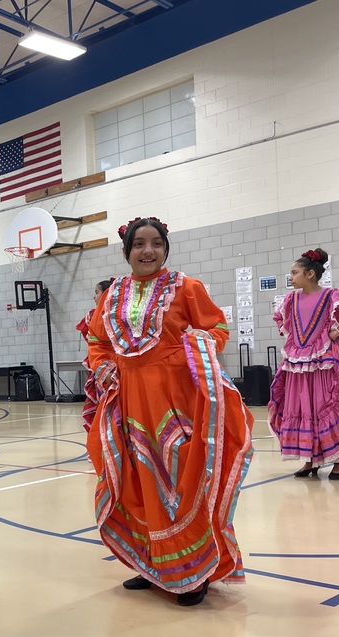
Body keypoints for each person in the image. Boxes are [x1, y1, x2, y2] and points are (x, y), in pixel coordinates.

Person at [86, 217, 253, 607]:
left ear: (166, 248)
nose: (148, 251)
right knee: (137, 483)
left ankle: (193, 571)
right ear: (126, 251)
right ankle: (151, 564)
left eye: (157, 243)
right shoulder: (112, 295)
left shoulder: (187, 287)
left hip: (176, 403)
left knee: (180, 483)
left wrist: (195, 345)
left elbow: (218, 329)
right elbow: (97, 339)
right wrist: (103, 366)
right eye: (139, 244)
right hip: (129, 402)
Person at [268, 248, 339, 479]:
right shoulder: (290, 299)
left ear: (310, 274)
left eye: (294, 273)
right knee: (302, 407)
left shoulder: (331, 296)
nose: (291, 277)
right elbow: (279, 318)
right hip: (298, 363)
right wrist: (292, 336)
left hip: (327, 361)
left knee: (327, 405)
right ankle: (310, 458)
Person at [76, 279, 113, 433]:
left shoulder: (113, 314)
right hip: (102, 365)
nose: (94, 296)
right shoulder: (93, 315)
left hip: (114, 365)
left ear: (105, 294)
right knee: (103, 405)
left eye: (97, 292)